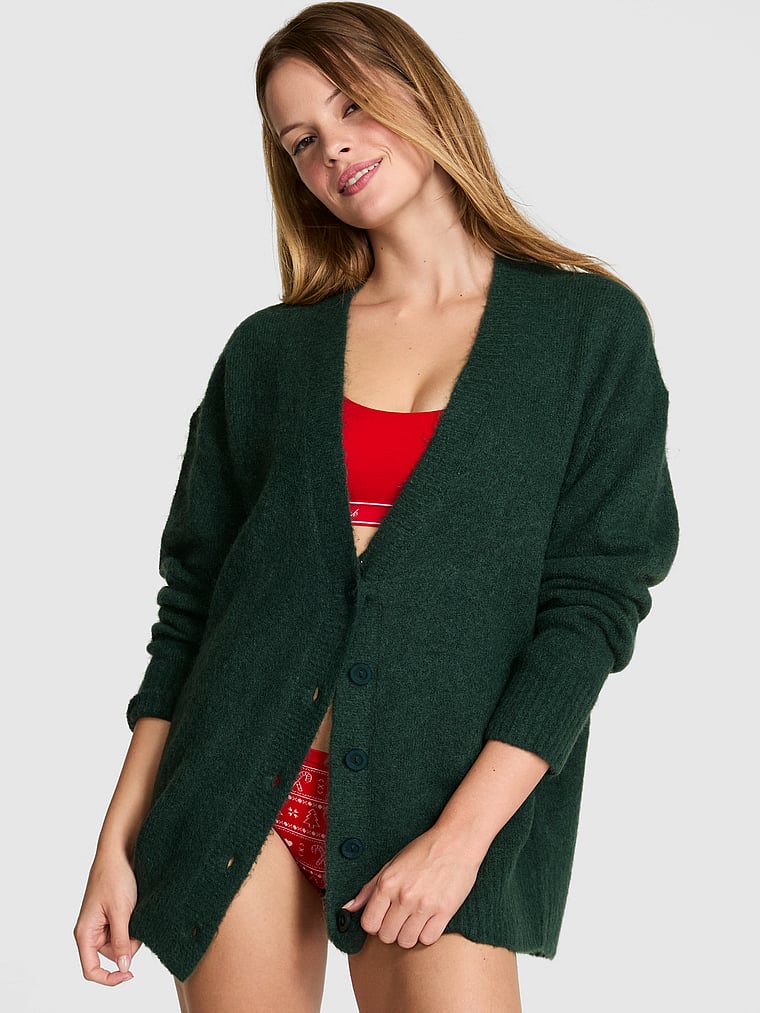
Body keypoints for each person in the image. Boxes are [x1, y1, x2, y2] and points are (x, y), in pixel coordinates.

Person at [73, 3, 680, 1010]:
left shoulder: (585, 329)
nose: (333, 148)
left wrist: (462, 839)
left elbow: (592, 607)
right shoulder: (271, 354)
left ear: (420, 88)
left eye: (351, 104)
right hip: (234, 792)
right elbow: (192, 609)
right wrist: (116, 839)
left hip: (438, 803)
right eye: (300, 139)